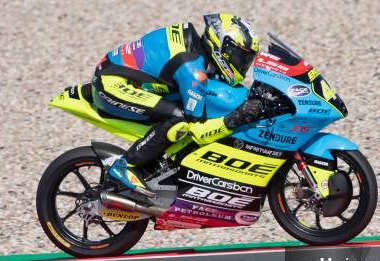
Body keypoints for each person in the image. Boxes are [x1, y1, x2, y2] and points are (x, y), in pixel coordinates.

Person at [92, 13, 265, 196]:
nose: (243, 64)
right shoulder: (192, 68)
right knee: (179, 119)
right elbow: (197, 129)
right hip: (111, 85)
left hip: (124, 75)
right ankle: (123, 166)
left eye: (247, 59)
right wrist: (234, 119)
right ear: (222, 46)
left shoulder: (197, 50)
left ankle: (156, 168)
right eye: (240, 56)